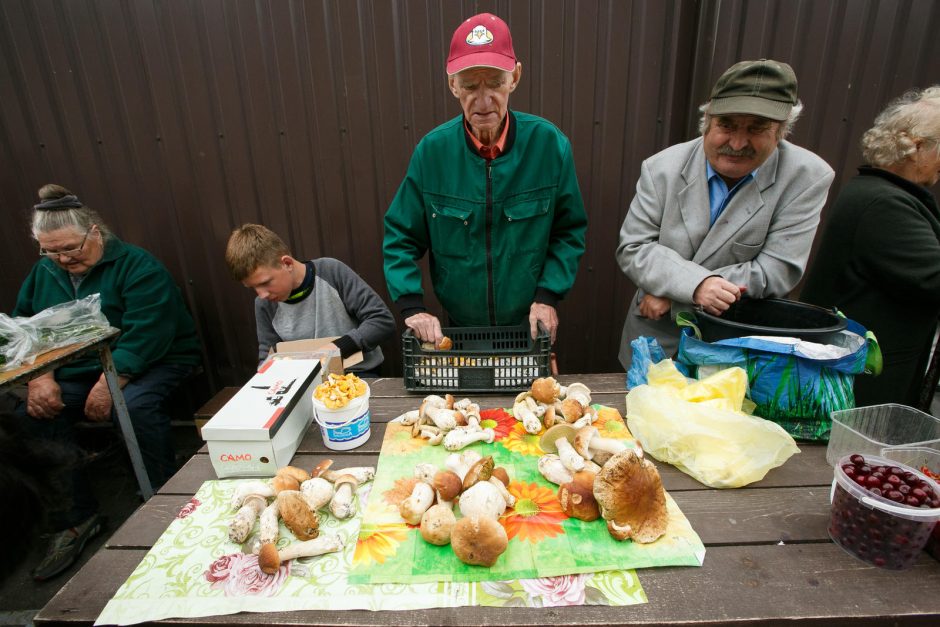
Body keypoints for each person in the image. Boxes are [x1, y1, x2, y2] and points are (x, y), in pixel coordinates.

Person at [13, 183, 202, 580]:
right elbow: (27, 328)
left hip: (154, 359)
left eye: (70, 249)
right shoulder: (43, 272)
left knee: (131, 406)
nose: (62, 259)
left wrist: (108, 384)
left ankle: (161, 499)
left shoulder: (138, 266)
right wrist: (39, 377)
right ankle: (75, 518)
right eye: (51, 251)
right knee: (34, 413)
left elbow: (149, 333)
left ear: (94, 233)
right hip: (76, 369)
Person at [382, 13, 587, 346]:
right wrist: (411, 306)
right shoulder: (432, 153)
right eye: (469, 85)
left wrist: (548, 296)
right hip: (459, 328)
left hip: (530, 324)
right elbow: (400, 236)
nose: (483, 100)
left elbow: (568, 231)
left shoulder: (550, 147)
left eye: (494, 82)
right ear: (452, 85)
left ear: (514, 78)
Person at [616, 59, 835, 367]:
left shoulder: (807, 177)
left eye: (757, 129)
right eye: (727, 125)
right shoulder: (661, 167)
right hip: (655, 336)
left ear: (781, 132)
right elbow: (634, 247)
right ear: (707, 120)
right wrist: (696, 287)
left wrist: (678, 294)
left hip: (733, 346)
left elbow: (777, 269)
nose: (737, 142)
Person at [802, 86, 940, 407]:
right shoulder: (883, 204)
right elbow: (933, 277)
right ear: (917, 148)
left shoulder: (887, 194)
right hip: (866, 376)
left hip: (869, 364)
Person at [224, 224, 395, 376]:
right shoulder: (263, 305)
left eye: (265, 283)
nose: (261, 294)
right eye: (253, 288)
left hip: (359, 374)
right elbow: (268, 354)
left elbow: (382, 321)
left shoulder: (332, 272)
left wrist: (338, 348)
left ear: (287, 263)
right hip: (304, 383)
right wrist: (265, 376)